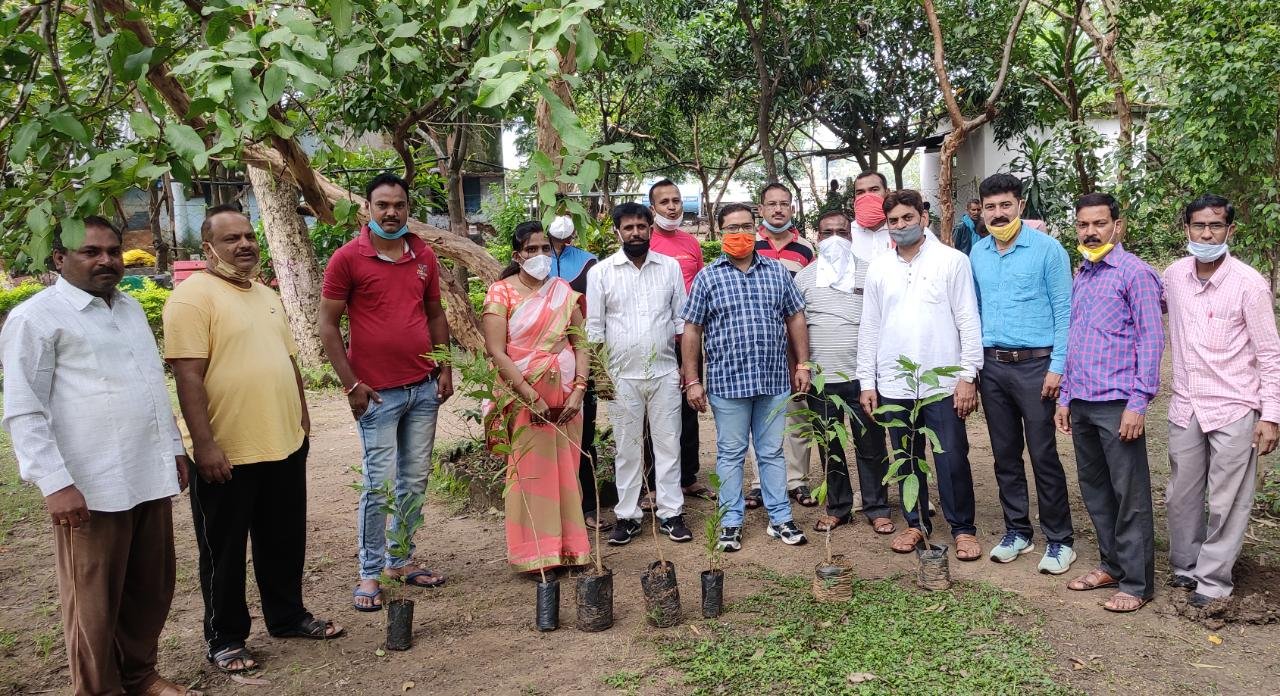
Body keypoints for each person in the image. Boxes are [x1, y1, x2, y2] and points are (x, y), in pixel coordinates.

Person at [1, 218, 199, 696]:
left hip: (147, 473)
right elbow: (24, 408)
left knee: (150, 589)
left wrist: (174, 449)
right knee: (93, 603)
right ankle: (99, 689)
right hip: (89, 486)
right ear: (59, 260)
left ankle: (140, 675)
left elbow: (152, 386)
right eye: (91, 252)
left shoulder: (129, 308)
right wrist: (54, 482)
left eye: (112, 250)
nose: (107, 260)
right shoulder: (37, 318)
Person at [165, 206, 342, 674]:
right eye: (231, 239)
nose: (244, 245)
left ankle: (286, 616)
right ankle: (225, 637)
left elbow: (288, 362)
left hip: (283, 442)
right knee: (223, 551)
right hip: (228, 451)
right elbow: (188, 377)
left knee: (284, 539)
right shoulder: (192, 298)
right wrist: (204, 446)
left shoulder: (266, 295)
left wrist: (301, 419)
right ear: (208, 248)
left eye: (249, 236)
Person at [319, 173, 454, 612]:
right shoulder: (347, 259)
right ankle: (370, 571)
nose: (391, 212)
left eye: (399, 204)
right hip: (377, 396)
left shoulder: (424, 256)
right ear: (369, 209)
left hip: (422, 389)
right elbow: (327, 325)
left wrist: (445, 368)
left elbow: (435, 314)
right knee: (379, 485)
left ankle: (401, 559)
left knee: (414, 480)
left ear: (407, 208)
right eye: (383, 205)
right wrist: (351, 384)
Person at [1163, 194, 1280, 608]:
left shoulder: (1249, 283)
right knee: (1182, 492)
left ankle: (1212, 582)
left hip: (1234, 406)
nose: (1206, 233)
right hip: (1186, 404)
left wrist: (1271, 415)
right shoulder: (1174, 276)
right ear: (1187, 230)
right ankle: (1185, 566)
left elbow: (1269, 353)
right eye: (1198, 226)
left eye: (1215, 226)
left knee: (1227, 499)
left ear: (1230, 231)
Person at [857, 190, 983, 561]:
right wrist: (868, 381)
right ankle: (916, 523)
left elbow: (968, 320)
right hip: (895, 384)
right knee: (905, 457)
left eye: (907, 218)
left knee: (951, 456)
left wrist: (967, 375)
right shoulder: (879, 267)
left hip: (941, 383)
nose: (900, 226)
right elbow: (870, 326)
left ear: (923, 218)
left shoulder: (953, 261)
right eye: (893, 221)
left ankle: (962, 528)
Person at [1054, 193, 1164, 612]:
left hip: (1119, 404)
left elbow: (1151, 341)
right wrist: (1065, 397)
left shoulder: (1135, 274)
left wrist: (1138, 403)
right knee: (1096, 490)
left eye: (1099, 223)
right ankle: (1111, 565)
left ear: (1117, 225)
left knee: (1128, 494)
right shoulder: (1083, 272)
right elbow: (1076, 338)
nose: (1091, 231)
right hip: (1081, 400)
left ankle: (1136, 584)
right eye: (1083, 225)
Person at [682, 203, 810, 551]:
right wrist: (692, 380)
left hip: (772, 380)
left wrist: (802, 365)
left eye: (746, 226)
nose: (740, 234)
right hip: (728, 382)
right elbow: (692, 330)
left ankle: (781, 518)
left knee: (771, 452)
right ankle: (730, 522)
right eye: (731, 228)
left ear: (757, 230)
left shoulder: (777, 272)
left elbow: (795, 317)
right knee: (730, 453)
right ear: (719, 232)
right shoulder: (708, 277)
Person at [969, 173, 1076, 574]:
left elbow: (1065, 312)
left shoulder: (1048, 251)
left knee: (1044, 454)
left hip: (1037, 367)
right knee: (1004, 454)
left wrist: (1058, 367)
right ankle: (1018, 530)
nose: (998, 214)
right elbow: (974, 311)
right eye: (991, 207)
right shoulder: (977, 253)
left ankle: (1059, 539)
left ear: (1019, 205)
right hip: (993, 366)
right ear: (982, 210)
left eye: (1005, 205)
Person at [482, 221, 592, 573]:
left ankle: (571, 549)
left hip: (565, 397)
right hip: (523, 396)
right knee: (530, 471)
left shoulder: (562, 290)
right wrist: (530, 396)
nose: (541, 255)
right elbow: (497, 353)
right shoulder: (501, 292)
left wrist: (579, 390)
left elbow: (581, 343)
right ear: (517, 255)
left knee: (565, 470)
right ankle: (534, 554)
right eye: (532, 249)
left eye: (545, 248)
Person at [587, 203, 691, 545]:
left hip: (664, 373)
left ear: (650, 229)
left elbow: (681, 322)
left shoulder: (670, 267)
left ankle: (671, 513)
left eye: (641, 227)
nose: (636, 233)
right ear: (617, 231)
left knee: (668, 445)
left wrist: (687, 370)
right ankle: (628, 516)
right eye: (629, 227)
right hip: (620, 378)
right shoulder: (601, 272)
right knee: (627, 449)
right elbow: (595, 328)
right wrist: (600, 375)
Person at [794, 209, 892, 535]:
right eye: (827, 232)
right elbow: (796, 326)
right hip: (822, 379)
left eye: (841, 231)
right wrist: (803, 367)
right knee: (829, 446)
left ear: (850, 236)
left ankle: (877, 507)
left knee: (871, 444)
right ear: (817, 238)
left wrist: (875, 376)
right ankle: (838, 508)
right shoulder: (805, 278)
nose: (835, 237)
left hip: (862, 378)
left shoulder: (871, 272)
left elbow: (881, 323)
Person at [749, 182, 817, 509]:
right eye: (771, 204)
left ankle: (798, 480)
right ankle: (759, 483)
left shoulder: (806, 249)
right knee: (760, 415)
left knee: (798, 414)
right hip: (758, 344)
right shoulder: (748, 245)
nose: (778, 209)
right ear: (760, 209)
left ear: (792, 208)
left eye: (784, 204)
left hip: (794, 345)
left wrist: (802, 359)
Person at [645, 179, 714, 501]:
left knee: (690, 405)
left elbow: (701, 288)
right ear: (653, 208)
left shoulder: (691, 243)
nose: (672, 207)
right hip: (655, 340)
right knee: (654, 412)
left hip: (688, 339)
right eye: (664, 202)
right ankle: (654, 482)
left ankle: (688, 477)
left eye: (676, 200)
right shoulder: (645, 243)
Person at [545, 202, 607, 531]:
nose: (561, 220)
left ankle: (586, 507)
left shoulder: (588, 263)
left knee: (583, 436)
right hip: (540, 365)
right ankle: (551, 511)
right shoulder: (534, 259)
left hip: (580, 359)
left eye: (568, 213)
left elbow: (594, 313)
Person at [849, 171, 894, 263]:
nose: (867, 196)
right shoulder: (846, 234)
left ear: (887, 193)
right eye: (860, 192)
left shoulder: (905, 230)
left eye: (874, 190)